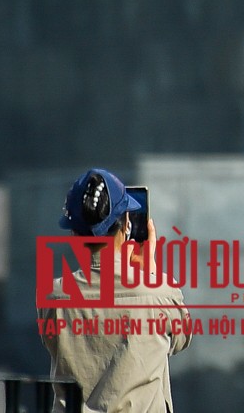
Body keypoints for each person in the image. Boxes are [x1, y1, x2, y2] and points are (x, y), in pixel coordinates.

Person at [39, 169, 190, 413]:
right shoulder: (158, 294)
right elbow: (179, 340)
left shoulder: (51, 296)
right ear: (127, 225)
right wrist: (149, 274)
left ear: (75, 234)